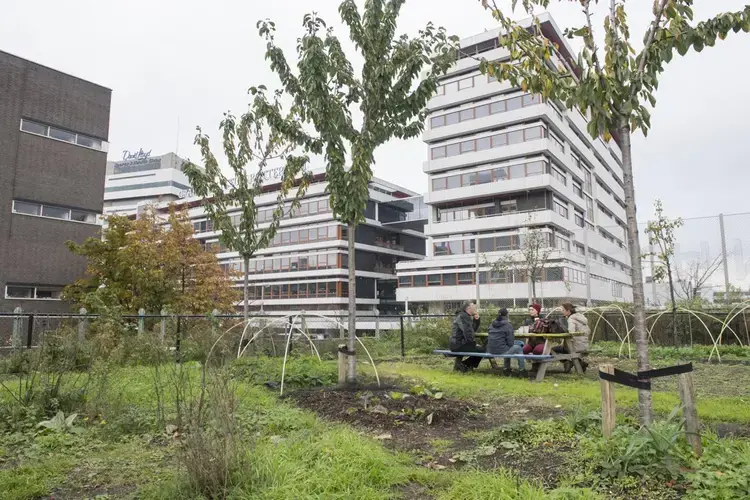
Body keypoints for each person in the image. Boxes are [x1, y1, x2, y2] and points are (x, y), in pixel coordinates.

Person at [487, 308, 527, 376]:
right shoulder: (507, 325)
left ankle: (507, 369)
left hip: (490, 350)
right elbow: (510, 343)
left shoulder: (491, 324)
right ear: (507, 315)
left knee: (507, 347)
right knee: (519, 348)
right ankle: (522, 370)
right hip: (501, 350)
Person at [552, 303, 590, 372]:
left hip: (576, 346)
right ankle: (580, 363)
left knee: (552, 350)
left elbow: (570, 334)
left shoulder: (571, 319)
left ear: (568, 311)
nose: (562, 311)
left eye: (563, 310)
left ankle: (568, 362)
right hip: (584, 345)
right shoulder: (581, 317)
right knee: (563, 348)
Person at [449, 301, 483, 372]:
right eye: (473, 306)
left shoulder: (465, 316)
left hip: (458, 343)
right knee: (482, 350)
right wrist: (472, 344)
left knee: (480, 349)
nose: (475, 308)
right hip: (458, 344)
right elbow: (467, 333)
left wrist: (476, 320)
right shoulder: (463, 316)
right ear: (468, 308)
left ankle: (462, 365)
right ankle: (464, 365)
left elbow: (471, 330)